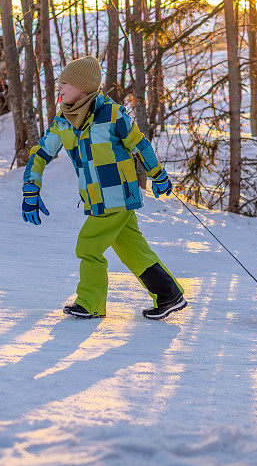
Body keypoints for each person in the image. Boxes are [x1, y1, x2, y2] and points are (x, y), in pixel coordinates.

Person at [20, 56, 187, 320]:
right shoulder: (64, 121)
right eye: (59, 82)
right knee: (133, 250)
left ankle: (90, 303)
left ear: (83, 88)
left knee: (89, 245)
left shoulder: (112, 114)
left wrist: (158, 174)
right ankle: (169, 295)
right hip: (96, 198)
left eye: (66, 83)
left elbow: (139, 144)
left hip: (117, 195)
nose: (59, 87)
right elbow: (40, 154)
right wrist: (31, 189)